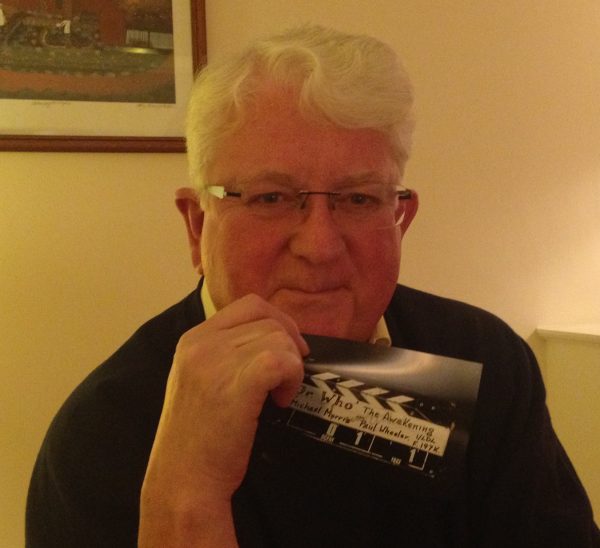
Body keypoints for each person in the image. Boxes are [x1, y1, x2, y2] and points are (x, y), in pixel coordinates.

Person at [26, 25, 599, 547]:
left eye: (359, 198)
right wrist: (187, 500)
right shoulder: (106, 430)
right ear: (197, 226)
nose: (320, 245)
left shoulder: (486, 360)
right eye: (271, 198)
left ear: (400, 218)